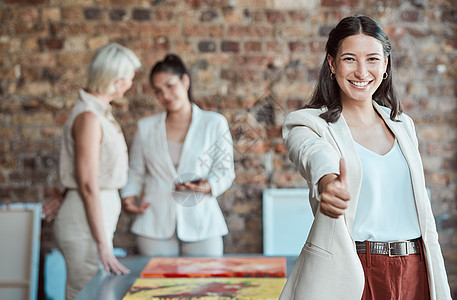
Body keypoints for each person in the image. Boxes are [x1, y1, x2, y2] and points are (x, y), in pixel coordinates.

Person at [280, 15, 451, 300]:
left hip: (416, 268)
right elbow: (312, 154)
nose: (361, 72)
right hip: (353, 271)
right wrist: (328, 181)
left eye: (372, 59)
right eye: (349, 59)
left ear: (385, 64)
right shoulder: (309, 124)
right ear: (332, 64)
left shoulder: (403, 125)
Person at [121, 54, 235, 257]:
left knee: (207, 286)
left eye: (169, 85)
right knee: (157, 288)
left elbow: (224, 171)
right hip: (154, 223)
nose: (165, 95)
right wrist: (128, 197)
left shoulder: (214, 123)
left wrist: (207, 186)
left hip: (202, 222)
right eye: (158, 91)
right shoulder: (146, 127)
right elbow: (136, 171)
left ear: (185, 81)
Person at [53, 43, 141, 299]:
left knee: (91, 291)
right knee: (84, 292)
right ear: (117, 80)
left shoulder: (97, 113)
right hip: (84, 221)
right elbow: (88, 183)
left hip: (89, 215)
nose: (130, 84)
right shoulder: (89, 117)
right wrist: (104, 246)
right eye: (130, 79)